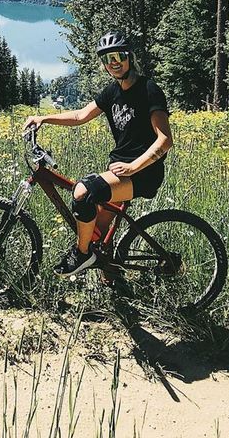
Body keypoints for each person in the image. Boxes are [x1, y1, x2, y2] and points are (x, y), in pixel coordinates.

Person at [22, 29, 172, 277]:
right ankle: (109, 272)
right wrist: (43, 118)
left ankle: (81, 256)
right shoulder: (112, 92)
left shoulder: (149, 90)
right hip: (119, 171)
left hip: (143, 174)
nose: (113, 63)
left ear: (129, 57)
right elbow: (81, 116)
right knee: (96, 236)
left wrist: (133, 167)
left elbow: (165, 141)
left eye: (118, 56)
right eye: (107, 59)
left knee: (83, 192)